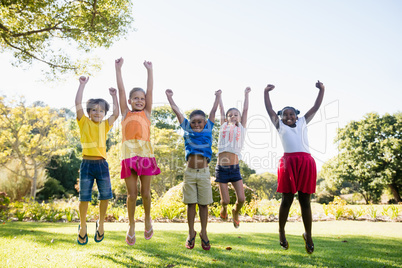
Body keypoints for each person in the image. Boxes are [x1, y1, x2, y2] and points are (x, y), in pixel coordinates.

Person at [263, 80, 325, 254]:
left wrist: (322, 90)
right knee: (287, 200)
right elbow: (269, 110)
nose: (288, 117)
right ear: (281, 117)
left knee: (305, 201)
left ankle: (308, 234)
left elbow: (316, 106)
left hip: (306, 162)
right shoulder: (280, 125)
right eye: (285, 115)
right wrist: (266, 93)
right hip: (288, 163)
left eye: (291, 114)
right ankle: (281, 232)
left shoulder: (304, 121)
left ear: (296, 116)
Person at [165, 88, 221, 250]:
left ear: (205, 123)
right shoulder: (187, 129)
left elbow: (213, 111)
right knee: (190, 204)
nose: (196, 124)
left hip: (204, 173)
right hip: (189, 173)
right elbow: (177, 112)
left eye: (199, 121)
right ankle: (191, 232)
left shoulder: (209, 128)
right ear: (190, 123)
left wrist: (217, 97)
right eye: (194, 121)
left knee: (204, 204)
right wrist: (170, 97)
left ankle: (204, 232)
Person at [115, 58, 161, 246]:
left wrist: (150, 71)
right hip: (129, 157)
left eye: (142, 99)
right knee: (132, 195)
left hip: (145, 157)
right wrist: (118, 69)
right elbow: (121, 90)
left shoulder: (147, 113)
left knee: (146, 193)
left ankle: (148, 220)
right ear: (130, 101)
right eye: (136, 98)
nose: (140, 101)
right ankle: (131, 225)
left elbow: (150, 91)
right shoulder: (125, 113)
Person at [75, 76, 119, 245]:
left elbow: (116, 113)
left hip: (102, 164)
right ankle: (83, 225)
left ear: (104, 114)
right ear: (88, 112)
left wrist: (114, 96)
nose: (97, 113)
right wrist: (82, 85)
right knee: (84, 197)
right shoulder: (83, 122)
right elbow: (78, 103)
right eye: (94, 110)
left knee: (105, 195)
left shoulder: (105, 125)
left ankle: (101, 223)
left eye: (101, 111)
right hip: (86, 164)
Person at [216, 87, 251, 228]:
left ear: (240, 118)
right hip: (222, 169)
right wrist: (219, 97)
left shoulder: (241, 128)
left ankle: (235, 213)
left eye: (236, 115)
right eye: (230, 115)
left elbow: (246, 110)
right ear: (226, 118)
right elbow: (221, 110)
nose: (233, 117)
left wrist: (246, 95)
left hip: (235, 169)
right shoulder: (223, 126)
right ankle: (224, 208)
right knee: (225, 200)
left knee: (241, 199)